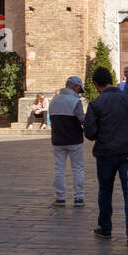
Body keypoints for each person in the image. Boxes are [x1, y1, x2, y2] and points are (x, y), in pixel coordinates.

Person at [83, 66, 128, 244]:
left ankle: (105, 227)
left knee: (105, 190)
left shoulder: (96, 104)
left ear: (95, 84)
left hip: (105, 153)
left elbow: (90, 133)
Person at [50, 76, 86, 206]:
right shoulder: (75, 101)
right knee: (78, 168)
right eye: (79, 88)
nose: (79, 92)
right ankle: (79, 197)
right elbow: (82, 119)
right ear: (75, 86)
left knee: (59, 168)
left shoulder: (54, 101)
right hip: (75, 139)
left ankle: (60, 197)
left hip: (58, 139)